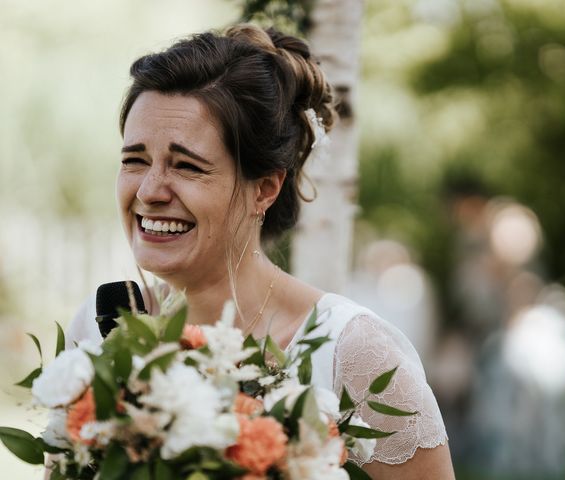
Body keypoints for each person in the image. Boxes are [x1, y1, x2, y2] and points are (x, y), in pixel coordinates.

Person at [64, 24, 454, 479]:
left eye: (187, 166)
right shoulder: (97, 328)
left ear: (265, 189)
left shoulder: (352, 353)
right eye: (135, 160)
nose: (150, 190)